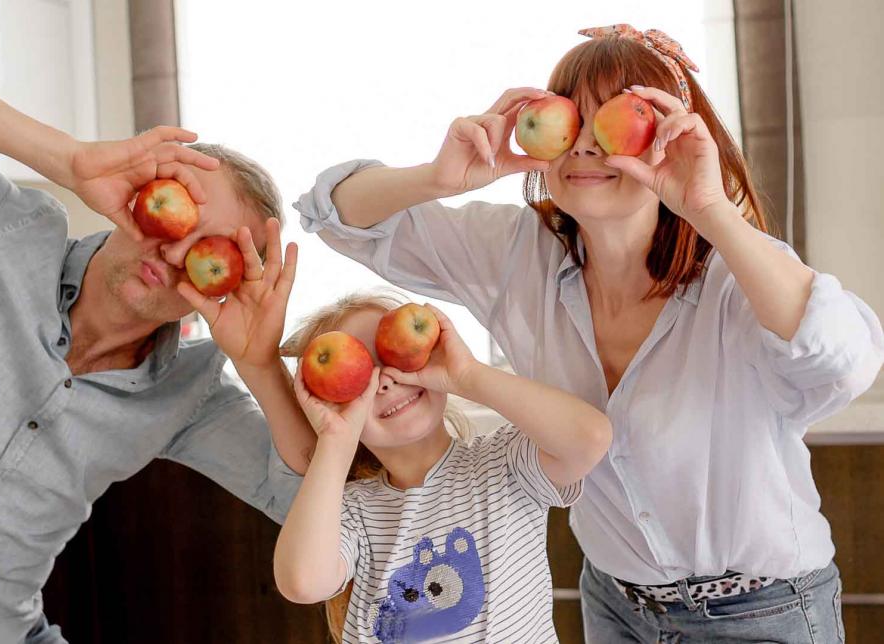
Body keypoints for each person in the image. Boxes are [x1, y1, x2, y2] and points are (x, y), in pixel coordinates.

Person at [295, 25, 884, 643]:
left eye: (613, 122)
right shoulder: (516, 253)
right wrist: (438, 179)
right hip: (614, 605)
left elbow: (845, 360)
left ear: (670, 137)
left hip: (763, 611)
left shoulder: (733, 277)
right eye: (571, 121)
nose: (583, 145)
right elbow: (333, 214)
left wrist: (711, 210)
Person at [0, 42, 314, 644]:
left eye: (207, 252)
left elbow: (310, 505)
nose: (173, 252)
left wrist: (261, 366)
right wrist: (68, 158)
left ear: (226, 285)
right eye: (175, 211)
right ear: (139, 192)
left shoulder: (187, 394)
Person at [273, 291, 611, 642]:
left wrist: (467, 375)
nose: (385, 380)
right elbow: (303, 583)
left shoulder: (504, 463)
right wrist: (335, 440)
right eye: (360, 378)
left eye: (394, 357)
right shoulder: (353, 509)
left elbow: (591, 437)